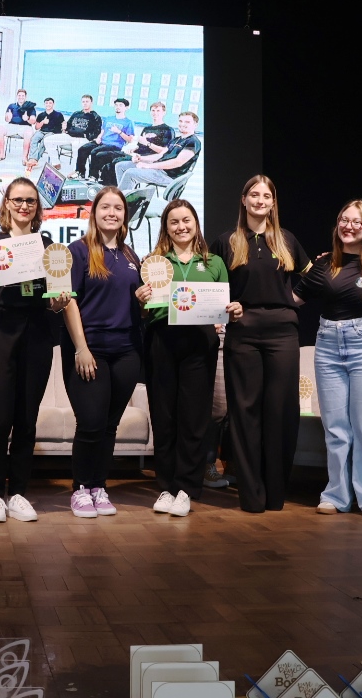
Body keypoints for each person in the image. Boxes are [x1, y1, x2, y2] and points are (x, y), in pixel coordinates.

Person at [210, 175, 310, 513]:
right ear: (244, 199)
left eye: (266, 195)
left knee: (280, 412)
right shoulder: (226, 242)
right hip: (244, 334)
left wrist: (291, 298)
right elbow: (211, 288)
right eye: (254, 194)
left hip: (283, 334)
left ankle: (275, 493)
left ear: (273, 202)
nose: (260, 200)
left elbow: (313, 278)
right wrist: (225, 310)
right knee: (245, 413)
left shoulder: (287, 240)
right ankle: (251, 495)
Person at [0, 178, 72, 522]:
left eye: (30, 201)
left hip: (37, 334)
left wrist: (59, 302)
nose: (24, 206)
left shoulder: (48, 247)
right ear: (7, 205)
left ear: (37, 208)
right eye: (18, 200)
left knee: (26, 419)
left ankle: (17, 493)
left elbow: (56, 302)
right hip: (0, 331)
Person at [135, 199, 241, 517]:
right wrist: (141, 301)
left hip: (200, 342)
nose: (181, 227)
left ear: (196, 223)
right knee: (164, 417)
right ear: (166, 228)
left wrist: (232, 310)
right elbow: (146, 310)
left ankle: (186, 490)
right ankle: (166, 488)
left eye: (187, 220)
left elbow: (223, 305)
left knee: (194, 419)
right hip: (162, 341)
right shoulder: (154, 262)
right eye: (174, 222)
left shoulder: (214, 263)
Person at [292, 200, 362, 518]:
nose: (349, 226)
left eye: (357, 222)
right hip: (328, 344)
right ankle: (337, 494)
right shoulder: (323, 265)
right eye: (343, 220)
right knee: (336, 427)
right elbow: (289, 301)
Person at [62, 186, 143, 518]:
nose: (112, 213)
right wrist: (81, 348)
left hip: (126, 352)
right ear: (94, 212)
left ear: (125, 215)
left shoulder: (130, 256)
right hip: (90, 350)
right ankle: (81, 488)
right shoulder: (78, 251)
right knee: (91, 423)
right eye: (106, 207)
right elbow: (68, 300)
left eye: (118, 208)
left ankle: (99, 486)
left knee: (110, 425)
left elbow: (134, 301)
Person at [115, 111, 201, 193]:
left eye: (187, 122)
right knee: (120, 166)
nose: (182, 124)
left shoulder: (193, 142)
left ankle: (121, 200)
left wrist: (149, 166)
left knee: (131, 173)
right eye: (180, 121)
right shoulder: (176, 140)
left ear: (195, 125)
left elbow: (177, 162)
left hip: (169, 176)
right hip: (158, 169)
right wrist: (141, 158)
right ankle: (126, 194)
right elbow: (160, 155)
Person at [94, 101, 174, 186]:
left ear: (164, 113)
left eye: (158, 111)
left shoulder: (168, 130)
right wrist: (132, 149)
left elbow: (164, 152)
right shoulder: (147, 128)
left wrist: (148, 144)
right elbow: (140, 145)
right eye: (153, 110)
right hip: (136, 155)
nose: (155, 113)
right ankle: (107, 186)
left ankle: (117, 189)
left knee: (115, 162)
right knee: (105, 157)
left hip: (148, 159)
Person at [72, 98, 135, 180]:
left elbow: (130, 139)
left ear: (126, 108)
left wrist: (119, 132)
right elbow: (103, 130)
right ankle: (80, 172)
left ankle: (93, 176)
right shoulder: (108, 118)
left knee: (95, 152)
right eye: (116, 105)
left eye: (120, 105)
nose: (118, 107)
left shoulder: (128, 122)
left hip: (114, 145)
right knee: (82, 149)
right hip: (102, 141)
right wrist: (98, 138)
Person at [43, 95, 102, 171]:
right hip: (70, 136)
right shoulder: (76, 114)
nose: (85, 103)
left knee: (76, 151)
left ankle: (75, 172)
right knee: (48, 140)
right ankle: (56, 163)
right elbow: (68, 125)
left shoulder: (95, 116)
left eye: (87, 101)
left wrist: (85, 135)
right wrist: (64, 128)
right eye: (83, 101)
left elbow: (96, 132)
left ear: (91, 103)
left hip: (83, 139)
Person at [25, 98, 64, 173]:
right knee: (34, 139)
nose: (48, 105)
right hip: (42, 131)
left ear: (53, 104)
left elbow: (62, 126)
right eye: (46, 103)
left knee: (44, 141)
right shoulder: (41, 115)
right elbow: (36, 127)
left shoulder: (58, 115)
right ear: (44, 104)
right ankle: (32, 159)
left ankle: (35, 160)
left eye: (50, 103)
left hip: (52, 133)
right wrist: (43, 122)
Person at [0, 89, 37, 165]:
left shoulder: (30, 107)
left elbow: (33, 120)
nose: (21, 97)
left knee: (29, 134)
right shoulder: (11, 105)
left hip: (25, 127)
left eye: (23, 96)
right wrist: (8, 118)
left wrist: (27, 119)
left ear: (25, 97)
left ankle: (24, 157)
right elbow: (6, 119)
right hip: (12, 125)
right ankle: (1, 154)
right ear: (17, 96)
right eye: (19, 95)